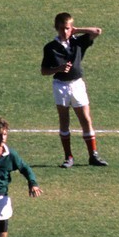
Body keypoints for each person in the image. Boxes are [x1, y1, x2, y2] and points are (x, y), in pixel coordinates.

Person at [40, 13, 108, 167]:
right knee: (64, 121)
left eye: (68, 28)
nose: (65, 31)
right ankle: (68, 157)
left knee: (85, 119)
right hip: (60, 86)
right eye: (62, 29)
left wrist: (77, 30)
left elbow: (97, 31)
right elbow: (44, 71)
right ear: (56, 28)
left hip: (77, 84)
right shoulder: (50, 48)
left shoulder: (78, 42)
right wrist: (59, 68)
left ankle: (93, 155)